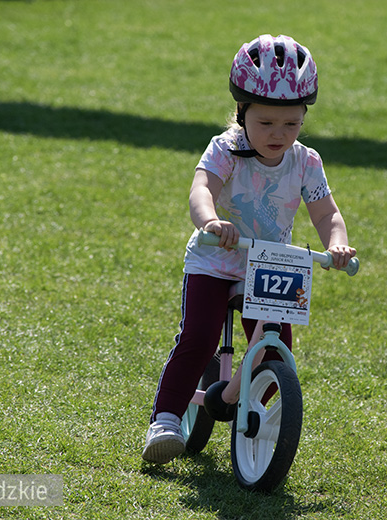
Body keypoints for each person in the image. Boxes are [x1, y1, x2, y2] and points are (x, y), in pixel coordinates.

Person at [143, 34, 356, 465]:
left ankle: (247, 404)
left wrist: (337, 244)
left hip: (270, 264)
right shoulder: (225, 150)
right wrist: (210, 221)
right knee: (199, 337)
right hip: (216, 258)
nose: (279, 134)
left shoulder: (306, 162)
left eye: (291, 124)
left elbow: (326, 213)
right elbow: (202, 189)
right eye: (266, 122)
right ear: (242, 113)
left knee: (276, 351)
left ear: (304, 117)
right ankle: (165, 421)